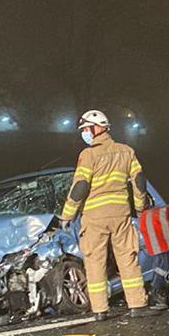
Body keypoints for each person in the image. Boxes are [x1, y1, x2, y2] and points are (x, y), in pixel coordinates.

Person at [59, 110, 150, 320]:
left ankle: (100, 310)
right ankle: (137, 304)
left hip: (95, 217)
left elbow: (80, 186)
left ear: (97, 127)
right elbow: (139, 181)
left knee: (94, 262)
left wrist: (67, 215)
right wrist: (139, 208)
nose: (84, 133)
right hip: (121, 215)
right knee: (128, 258)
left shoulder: (88, 155)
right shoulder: (127, 151)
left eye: (85, 129)